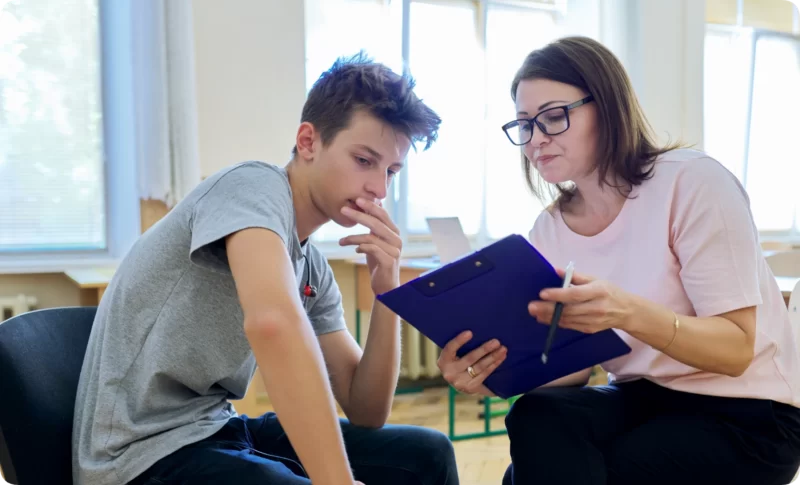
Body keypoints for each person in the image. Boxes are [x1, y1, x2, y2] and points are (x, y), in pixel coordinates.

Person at [72, 53, 459, 485]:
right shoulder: (252, 186)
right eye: (364, 160)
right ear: (309, 142)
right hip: (139, 455)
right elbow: (273, 323)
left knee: (428, 453)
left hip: (217, 428)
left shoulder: (311, 265)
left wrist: (388, 291)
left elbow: (367, 410)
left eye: (391, 170)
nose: (379, 187)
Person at [436, 36, 800, 485]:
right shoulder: (548, 229)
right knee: (536, 414)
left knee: (536, 476)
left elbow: (736, 351)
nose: (536, 140)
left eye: (553, 117)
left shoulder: (692, 183)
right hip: (643, 400)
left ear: (606, 107)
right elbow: (570, 372)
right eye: (524, 125)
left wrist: (627, 311)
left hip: (748, 415)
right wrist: (492, 373)